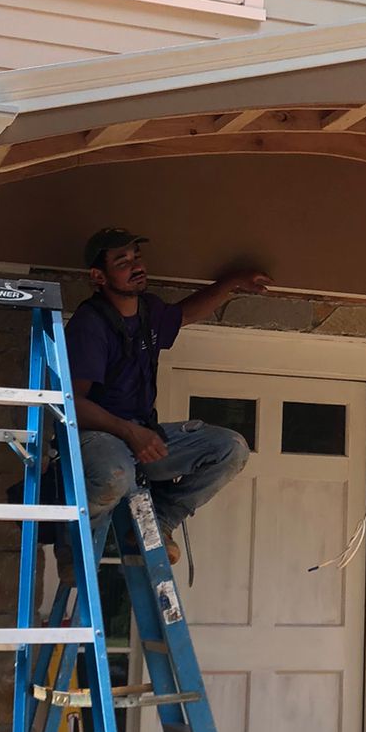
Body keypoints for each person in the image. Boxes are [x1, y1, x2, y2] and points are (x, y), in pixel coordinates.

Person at [65, 225, 266, 563]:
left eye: (137, 258)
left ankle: (160, 518)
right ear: (98, 276)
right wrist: (130, 431)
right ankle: (76, 545)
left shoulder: (149, 312)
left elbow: (185, 314)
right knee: (116, 476)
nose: (136, 266)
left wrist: (231, 283)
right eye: (122, 262)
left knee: (230, 448)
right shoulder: (91, 324)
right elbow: (72, 404)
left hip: (144, 434)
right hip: (97, 437)